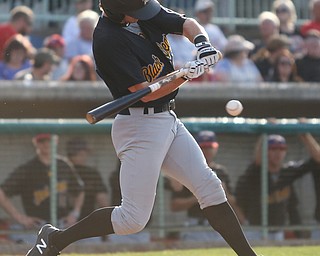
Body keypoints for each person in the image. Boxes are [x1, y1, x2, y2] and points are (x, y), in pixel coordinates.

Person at [26, 1, 258, 256]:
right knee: (132, 219)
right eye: (134, 14)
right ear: (116, 12)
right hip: (139, 125)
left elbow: (186, 24)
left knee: (210, 188)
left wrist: (202, 44)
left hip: (166, 118)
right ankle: (55, 239)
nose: (142, 17)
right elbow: (143, 94)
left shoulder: (142, 8)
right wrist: (185, 74)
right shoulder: (107, 39)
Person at [0, 134, 84, 244]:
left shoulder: (64, 165)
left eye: (49, 141)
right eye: (42, 141)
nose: (46, 144)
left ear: (56, 142)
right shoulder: (28, 169)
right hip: (38, 227)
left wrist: (75, 214)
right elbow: (2, 192)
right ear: (35, 143)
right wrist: (20, 217)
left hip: (63, 224)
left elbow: (80, 190)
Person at [235, 133, 320, 241]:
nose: (278, 153)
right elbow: (258, 160)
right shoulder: (255, 172)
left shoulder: (287, 172)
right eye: (273, 149)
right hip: (255, 231)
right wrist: (265, 131)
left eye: (282, 149)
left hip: (278, 231)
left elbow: (317, 158)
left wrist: (305, 134)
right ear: (265, 151)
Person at [167, 131, 246, 242]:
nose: (207, 150)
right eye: (203, 147)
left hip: (219, 226)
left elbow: (233, 201)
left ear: (216, 147)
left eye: (210, 146)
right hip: (195, 225)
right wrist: (201, 195)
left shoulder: (221, 171)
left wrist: (223, 193)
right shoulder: (187, 170)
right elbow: (174, 206)